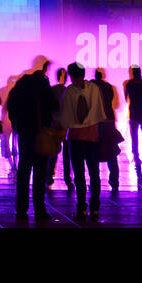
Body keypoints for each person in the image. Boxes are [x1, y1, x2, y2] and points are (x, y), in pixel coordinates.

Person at [7, 56, 55, 220]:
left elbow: (10, 105)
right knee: (40, 172)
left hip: (25, 133)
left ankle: (21, 208)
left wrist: (16, 124)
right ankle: (40, 209)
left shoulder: (21, 86)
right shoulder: (43, 86)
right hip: (41, 133)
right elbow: (54, 106)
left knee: (24, 171)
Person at [60, 62, 105, 220]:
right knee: (94, 173)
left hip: (76, 137)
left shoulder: (70, 91)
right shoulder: (94, 89)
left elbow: (65, 115)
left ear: (72, 75)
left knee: (79, 174)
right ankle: (94, 208)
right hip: (92, 136)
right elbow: (99, 112)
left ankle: (81, 207)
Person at [92, 67, 121, 194]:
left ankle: (95, 182)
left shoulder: (92, 86)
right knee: (111, 152)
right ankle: (114, 181)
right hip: (109, 120)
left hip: (97, 121)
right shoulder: (109, 87)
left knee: (94, 152)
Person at [123, 66, 142, 183]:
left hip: (133, 114)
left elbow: (127, 99)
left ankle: (138, 170)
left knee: (135, 144)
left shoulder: (128, 84)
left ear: (131, 72)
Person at [48, 67, 72, 190]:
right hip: (65, 125)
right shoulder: (67, 91)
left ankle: (49, 177)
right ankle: (67, 178)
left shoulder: (52, 90)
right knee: (67, 154)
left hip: (54, 124)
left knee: (53, 152)